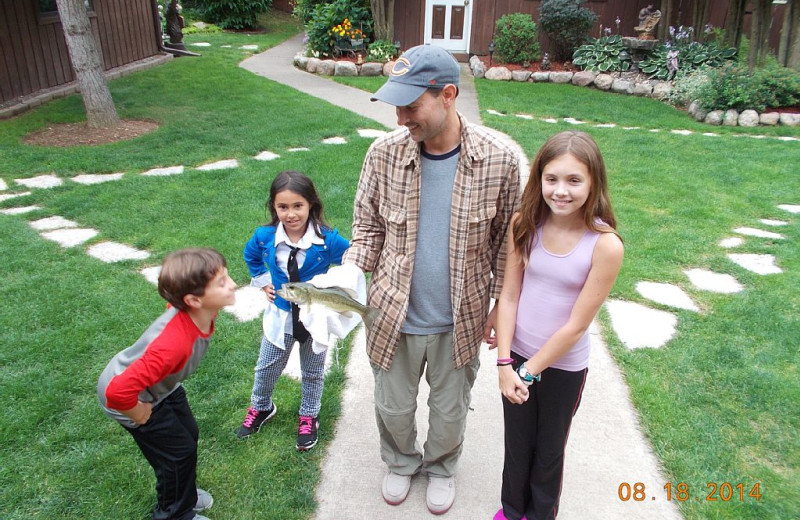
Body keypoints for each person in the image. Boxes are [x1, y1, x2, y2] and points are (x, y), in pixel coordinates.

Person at [343, 44, 521, 514]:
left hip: (459, 320)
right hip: (392, 315)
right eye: (397, 105)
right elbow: (367, 226)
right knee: (393, 408)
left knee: (449, 413)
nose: (401, 117)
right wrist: (349, 273)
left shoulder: (499, 160)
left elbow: (509, 243)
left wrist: (500, 307)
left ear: (447, 94)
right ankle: (401, 461)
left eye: (410, 105)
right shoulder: (382, 154)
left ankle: (441, 467)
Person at [491, 131, 624, 520]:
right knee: (517, 444)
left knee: (548, 450)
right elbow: (509, 295)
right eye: (552, 179)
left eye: (574, 180)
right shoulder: (524, 224)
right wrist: (504, 364)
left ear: (594, 182)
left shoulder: (605, 245)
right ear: (539, 179)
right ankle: (512, 510)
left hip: (562, 367)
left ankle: (539, 514)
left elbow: (576, 326)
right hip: (515, 356)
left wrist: (526, 373)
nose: (560, 191)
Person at [97, 248, 237, 520]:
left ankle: (185, 494)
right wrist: (139, 413)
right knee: (176, 455)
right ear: (194, 300)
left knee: (188, 433)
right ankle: (174, 514)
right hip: (131, 396)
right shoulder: (172, 346)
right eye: (221, 282)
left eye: (226, 276)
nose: (232, 284)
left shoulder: (198, 311)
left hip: (161, 387)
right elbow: (117, 392)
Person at [235, 170, 349, 451]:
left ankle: (309, 415)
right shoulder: (264, 237)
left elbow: (354, 258)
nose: (291, 214)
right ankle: (261, 407)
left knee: (312, 371)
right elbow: (250, 256)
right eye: (282, 207)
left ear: (311, 204)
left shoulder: (328, 240)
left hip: (315, 320)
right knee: (266, 367)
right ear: (274, 207)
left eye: (298, 206)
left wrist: (334, 285)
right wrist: (263, 283)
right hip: (280, 318)